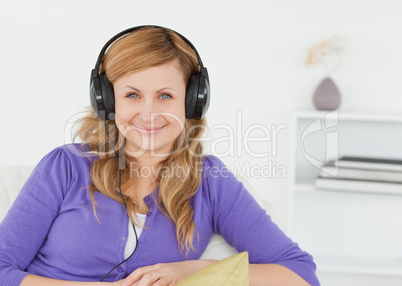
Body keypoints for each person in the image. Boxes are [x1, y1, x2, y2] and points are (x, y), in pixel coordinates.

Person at [0, 25, 320, 286]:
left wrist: (195, 270)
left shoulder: (209, 181)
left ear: (192, 101)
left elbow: (299, 273)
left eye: (165, 95)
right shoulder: (65, 166)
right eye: (132, 95)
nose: (148, 113)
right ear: (108, 101)